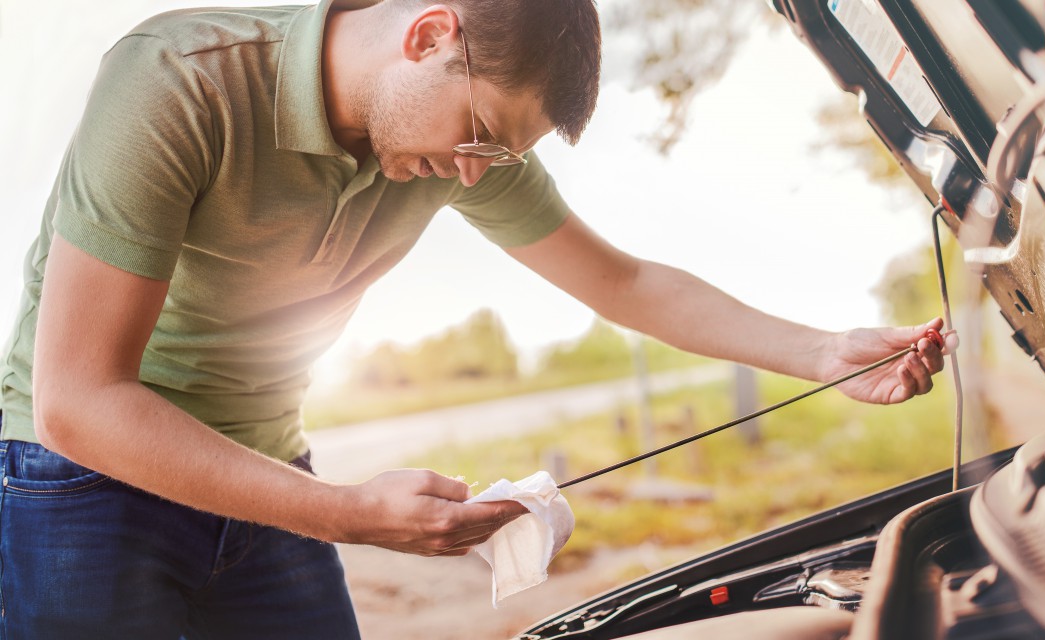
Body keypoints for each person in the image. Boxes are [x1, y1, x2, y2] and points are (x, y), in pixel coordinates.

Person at [0, 0, 948, 637]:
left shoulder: (454, 150)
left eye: (497, 157)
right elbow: (79, 400)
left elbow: (624, 284)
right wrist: (349, 516)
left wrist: (824, 351)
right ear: (429, 35)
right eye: (481, 135)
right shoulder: (181, 80)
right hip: (81, 481)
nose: (474, 171)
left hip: (268, 469)